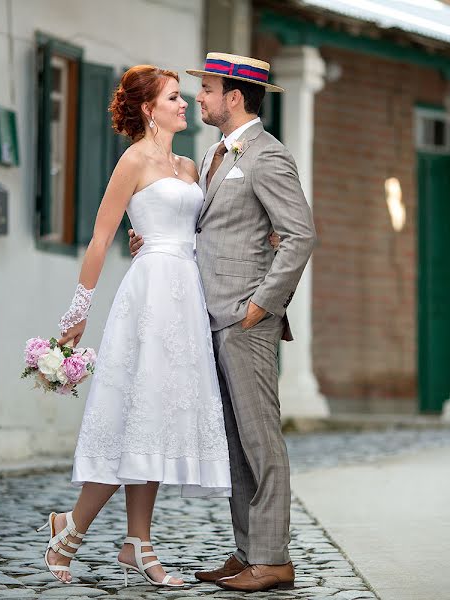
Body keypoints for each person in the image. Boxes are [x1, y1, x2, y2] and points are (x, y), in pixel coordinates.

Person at [129, 52, 317, 592]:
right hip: (205, 315)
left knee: (261, 440)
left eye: (208, 89)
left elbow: (299, 235)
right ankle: (248, 551)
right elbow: (212, 229)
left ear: (234, 97)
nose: (200, 99)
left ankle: (274, 558)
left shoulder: (268, 156)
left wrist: (263, 306)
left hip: (244, 319)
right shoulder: (214, 152)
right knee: (233, 440)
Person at [43, 64, 231, 588]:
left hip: (185, 298)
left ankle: (136, 542)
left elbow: (197, 232)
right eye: (174, 97)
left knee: (155, 424)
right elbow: (101, 238)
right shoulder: (132, 162)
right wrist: (77, 314)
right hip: (147, 298)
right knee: (132, 418)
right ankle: (70, 532)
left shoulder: (191, 167)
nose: (184, 104)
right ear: (150, 109)